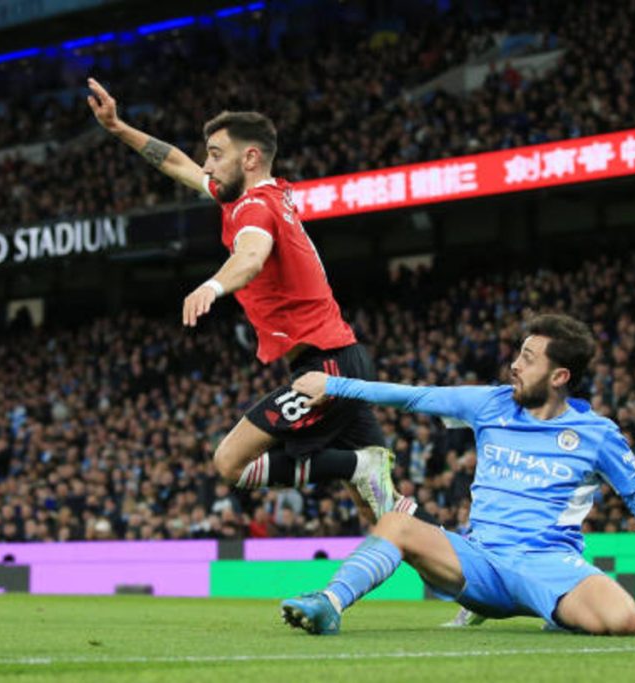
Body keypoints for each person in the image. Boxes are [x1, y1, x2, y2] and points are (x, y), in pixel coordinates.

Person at [280, 314, 635, 635]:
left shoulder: (597, 435)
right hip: (480, 563)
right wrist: (333, 385)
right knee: (395, 522)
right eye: (518, 355)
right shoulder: (491, 404)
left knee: (625, 621)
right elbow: (412, 397)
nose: (515, 365)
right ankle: (329, 603)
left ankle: (556, 612)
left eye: (528, 359)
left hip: (548, 565)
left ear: (559, 376)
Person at [86, 78, 401, 520]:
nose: (207, 166)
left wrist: (212, 286)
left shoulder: (255, 207)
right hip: (340, 360)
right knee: (383, 517)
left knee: (230, 462)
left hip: (325, 368)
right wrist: (119, 128)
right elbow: (178, 163)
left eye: (216, 155)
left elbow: (251, 256)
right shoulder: (255, 196)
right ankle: (464, 572)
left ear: (250, 157)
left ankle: (357, 465)